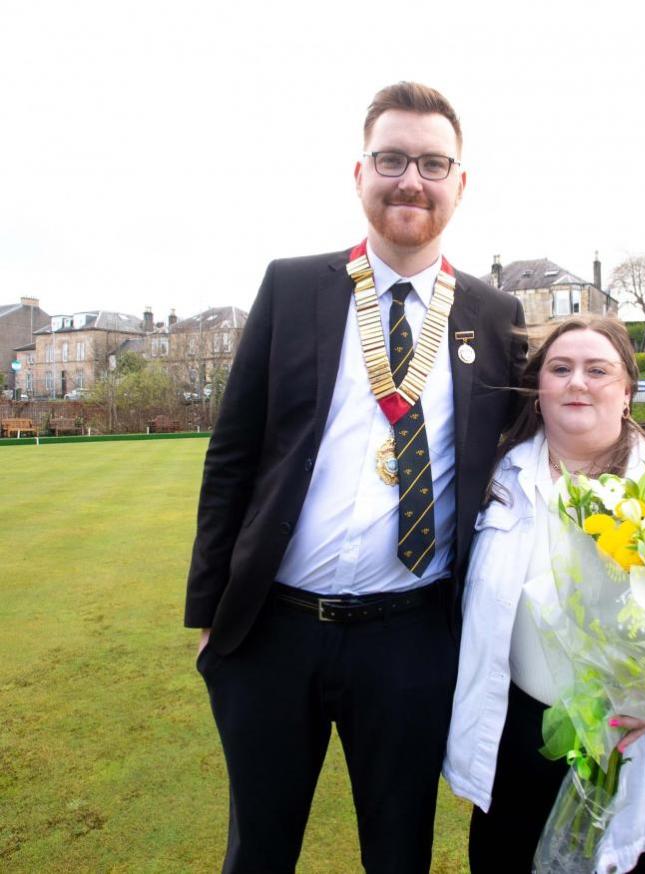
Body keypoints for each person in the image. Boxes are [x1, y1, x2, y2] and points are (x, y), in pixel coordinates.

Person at [184, 82, 526, 874]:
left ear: (460, 183)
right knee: (258, 852)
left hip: (410, 640)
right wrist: (210, 615)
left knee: (399, 854)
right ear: (359, 172)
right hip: (273, 632)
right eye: (392, 159)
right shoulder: (294, 285)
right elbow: (233, 453)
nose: (411, 179)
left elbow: (549, 435)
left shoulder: (494, 314)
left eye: (433, 163)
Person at [444, 317, 645, 874]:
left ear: (626, 391)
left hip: (639, 749)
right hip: (518, 746)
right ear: (539, 388)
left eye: (597, 370)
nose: (577, 382)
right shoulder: (495, 478)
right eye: (561, 368)